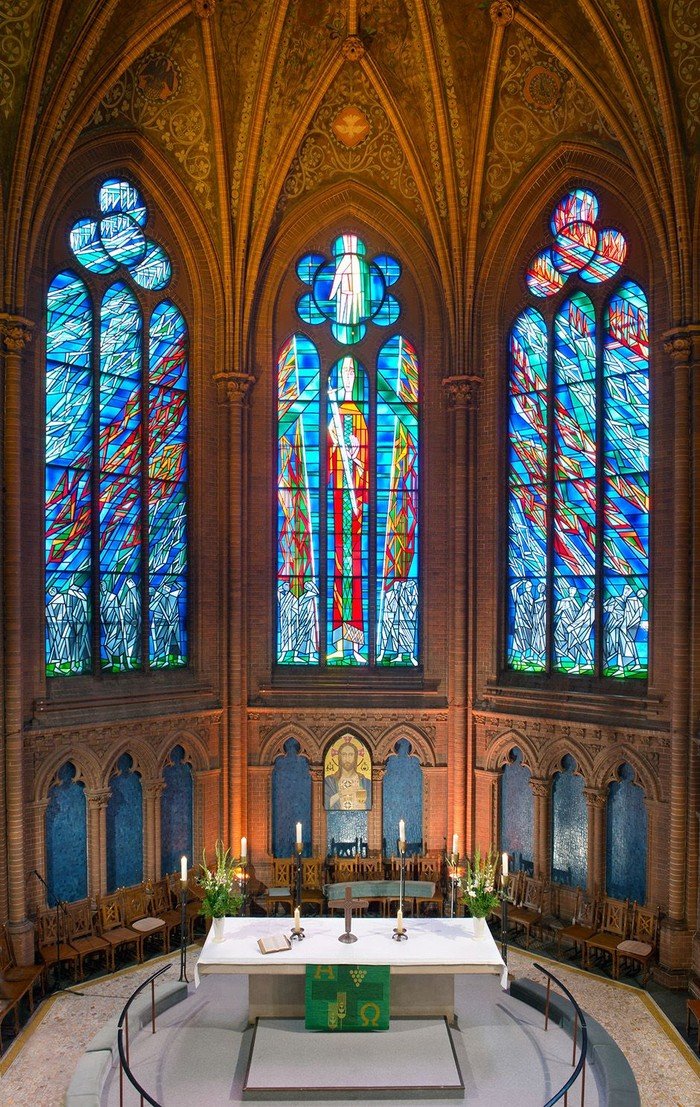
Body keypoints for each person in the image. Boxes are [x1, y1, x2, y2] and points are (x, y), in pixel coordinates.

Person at [327, 358, 368, 663]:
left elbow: (364, 460)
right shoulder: (334, 417)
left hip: (355, 503)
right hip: (340, 497)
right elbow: (332, 458)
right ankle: (340, 642)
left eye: (353, 371)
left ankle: (355, 642)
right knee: (341, 567)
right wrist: (338, 448)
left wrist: (355, 455)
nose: (348, 375)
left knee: (354, 568)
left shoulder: (360, 420)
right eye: (344, 371)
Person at [325, 741, 372, 811]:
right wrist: (340, 794)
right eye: (344, 754)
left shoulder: (366, 782)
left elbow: (372, 803)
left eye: (350, 754)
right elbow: (325, 803)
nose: (347, 758)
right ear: (339, 757)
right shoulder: (330, 781)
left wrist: (364, 806)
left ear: (355, 757)